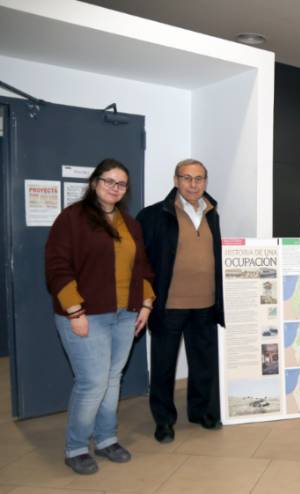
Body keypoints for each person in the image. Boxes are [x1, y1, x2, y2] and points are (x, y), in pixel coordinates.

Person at [45, 159, 155, 475]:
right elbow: (57, 267)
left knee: (111, 378)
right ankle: (76, 447)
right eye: (109, 181)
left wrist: (146, 302)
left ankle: (106, 439)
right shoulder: (72, 219)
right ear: (94, 183)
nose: (114, 188)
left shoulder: (130, 224)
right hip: (85, 314)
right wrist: (74, 311)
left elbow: (142, 267)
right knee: (92, 382)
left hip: (125, 314)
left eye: (121, 184)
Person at [137, 158, 224, 443]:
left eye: (199, 178)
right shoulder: (153, 215)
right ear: (176, 181)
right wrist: (147, 298)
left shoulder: (212, 213)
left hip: (206, 303)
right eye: (187, 178)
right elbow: (141, 262)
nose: (193, 184)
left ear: (205, 181)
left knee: (203, 364)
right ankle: (164, 421)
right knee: (163, 366)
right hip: (169, 304)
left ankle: (202, 412)